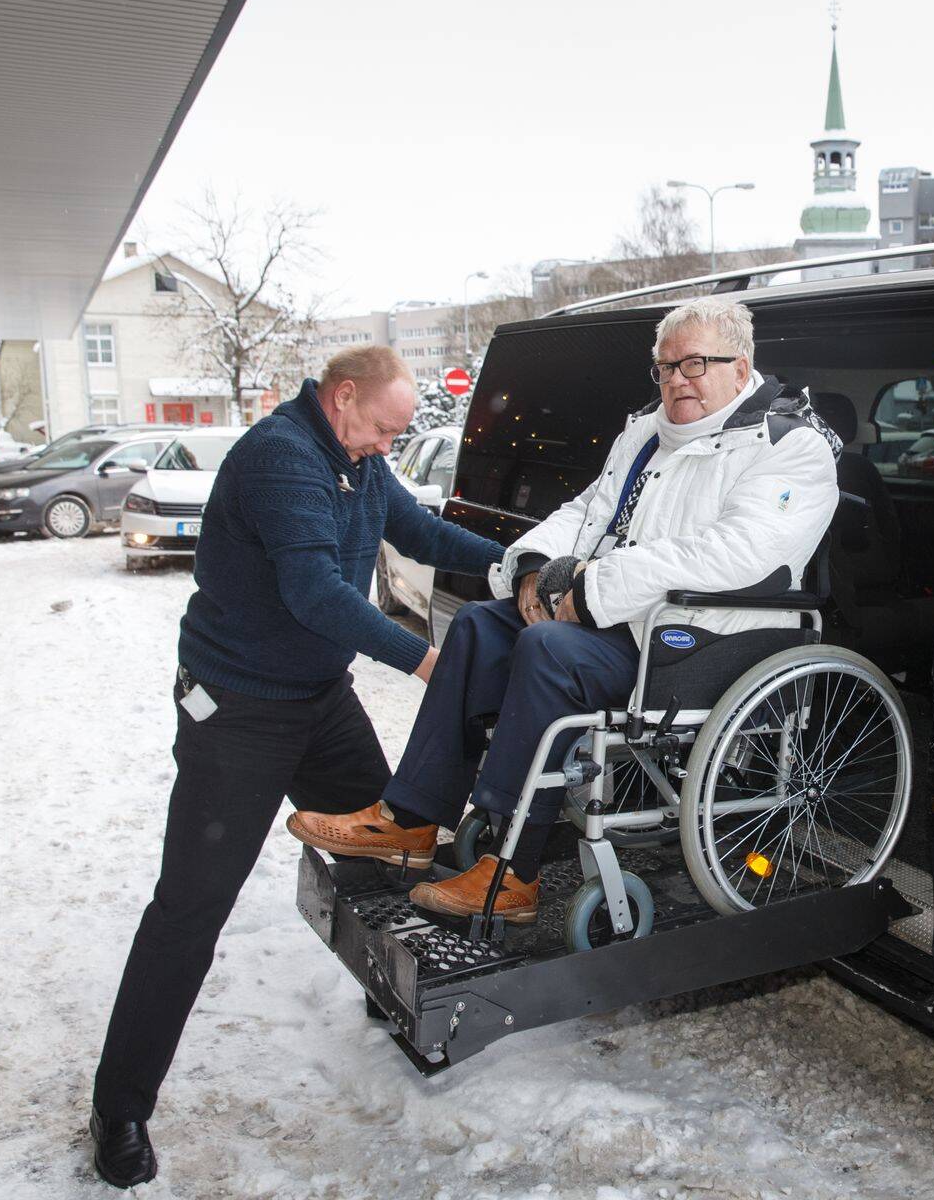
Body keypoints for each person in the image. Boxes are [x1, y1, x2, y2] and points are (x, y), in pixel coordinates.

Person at [88, 346, 503, 1189]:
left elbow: (419, 531)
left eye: (395, 436)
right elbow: (314, 591)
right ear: (342, 397)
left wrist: (515, 563)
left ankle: (396, 1006)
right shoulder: (281, 457)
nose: (388, 446)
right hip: (238, 711)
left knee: (394, 850)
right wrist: (430, 664)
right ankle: (119, 1107)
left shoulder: (357, 456)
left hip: (318, 702)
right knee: (190, 907)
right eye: (382, 429)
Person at [289, 296, 840, 924]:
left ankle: (513, 869)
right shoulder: (648, 433)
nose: (676, 381)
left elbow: (736, 554)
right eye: (664, 367)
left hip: (699, 637)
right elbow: (586, 513)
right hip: (621, 619)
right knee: (478, 627)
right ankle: (410, 820)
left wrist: (593, 586)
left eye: (694, 364)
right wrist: (531, 564)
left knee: (547, 648)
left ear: (739, 368)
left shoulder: (788, 446)